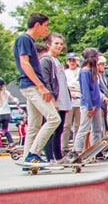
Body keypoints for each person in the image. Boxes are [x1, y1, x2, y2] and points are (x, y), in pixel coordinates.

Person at [13, 13, 60, 164]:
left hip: (31, 85)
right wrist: (41, 86)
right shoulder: (24, 39)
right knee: (54, 118)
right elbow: (24, 63)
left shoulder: (28, 41)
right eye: (45, 25)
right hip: (32, 85)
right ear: (37, 25)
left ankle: (28, 160)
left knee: (34, 125)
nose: (46, 29)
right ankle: (34, 154)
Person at [40, 32, 71, 161]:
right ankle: (49, 156)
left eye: (61, 44)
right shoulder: (46, 60)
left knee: (59, 129)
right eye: (56, 43)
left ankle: (58, 156)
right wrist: (52, 99)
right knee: (51, 129)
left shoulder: (57, 60)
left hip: (63, 99)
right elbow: (46, 81)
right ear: (48, 44)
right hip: (53, 99)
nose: (59, 46)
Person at [72, 48, 105, 159]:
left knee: (97, 129)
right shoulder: (85, 72)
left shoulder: (92, 71)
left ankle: (96, 150)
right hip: (88, 105)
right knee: (84, 128)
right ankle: (77, 150)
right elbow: (85, 91)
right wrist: (89, 107)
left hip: (96, 103)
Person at [62, 53, 81, 152]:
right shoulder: (65, 72)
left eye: (74, 60)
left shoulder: (80, 71)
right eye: (70, 60)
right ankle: (64, 147)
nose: (72, 62)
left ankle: (76, 146)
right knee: (66, 125)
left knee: (78, 125)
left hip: (79, 100)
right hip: (69, 102)